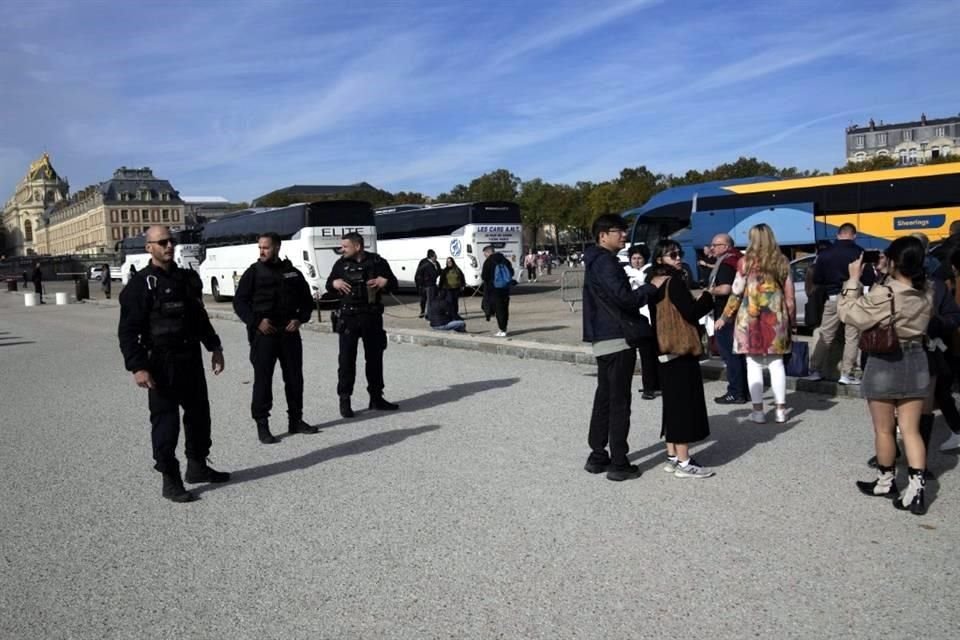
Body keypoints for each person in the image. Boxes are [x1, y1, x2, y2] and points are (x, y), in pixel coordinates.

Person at [117, 225, 229, 503]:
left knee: (199, 416)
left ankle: (198, 466)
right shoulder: (140, 285)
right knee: (166, 423)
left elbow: (199, 317)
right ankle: (170, 477)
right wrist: (138, 367)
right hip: (160, 363)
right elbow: (128, 331)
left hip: (189, 358)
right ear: (149, 248)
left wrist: (214, 346)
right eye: (162, 242)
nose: (169, 246)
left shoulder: (186, 279)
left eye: (172, 241)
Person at [841, 237, 933, 515]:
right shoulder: (927, 290)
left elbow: (850, 314)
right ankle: (916, 490)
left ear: (893, 260)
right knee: (911, 429)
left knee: (883, 429)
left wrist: (853, 281)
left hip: (885, 361)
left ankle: (886, 481)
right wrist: (887, 271)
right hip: (917, 359)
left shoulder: (885, 294)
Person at [582, 215, 664, 481]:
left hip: (602, 336)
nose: (624, 236)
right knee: (619, 401)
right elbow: (626, 299)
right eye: (619, 231)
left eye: (624, 231)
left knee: (604, 397)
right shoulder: (606, 262)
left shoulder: (594, 261)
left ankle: (597, 455)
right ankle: (618, 462)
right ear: (602, 235)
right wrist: (651, 288)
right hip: (617, 337)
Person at [232, 232, 319, 444]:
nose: (262, 251)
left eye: (266, 247)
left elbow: (307, 301)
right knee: (263, 380)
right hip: (264, 334)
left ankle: (296, 420)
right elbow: (240, 303)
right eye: (260, 248)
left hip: (289, 333)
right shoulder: (253, 273)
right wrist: (256, 322)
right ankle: (263, 425)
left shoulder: (292, 273)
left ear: (277, 248)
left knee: (294, 378)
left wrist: (299, 319)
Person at [648, 239, 716, 479]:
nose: (678, 258)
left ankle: (672, 456)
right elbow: (691, 312)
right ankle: (685, 461)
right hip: (680, 348)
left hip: (663, 349)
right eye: (672, 255)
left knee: (672, 404)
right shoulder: (674, 282)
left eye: (679, 253)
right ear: (660, 259)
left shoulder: (653, 282)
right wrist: (708, 297)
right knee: (684, 405)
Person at [715, 224, 795, 424]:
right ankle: (780, 410)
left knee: (753, 365)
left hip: (749, 319)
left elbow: (735, 293)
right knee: (777, 365)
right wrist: (790, 323)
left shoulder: (744, 262)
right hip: (776, 318)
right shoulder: (782, 261)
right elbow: (790, 298)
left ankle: (758, 412)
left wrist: (724, 317)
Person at [327, 232, 400, 418]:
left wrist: (386, 282)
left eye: (345, 246)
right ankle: (345, 400)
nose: (342, 250)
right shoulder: (341, 264)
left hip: (371, 317)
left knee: (375, 359)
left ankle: (376, 398)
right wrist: (334, 283)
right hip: (348, 318)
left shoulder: (377, 262)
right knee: (346, 361)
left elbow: (394, 284)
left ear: (358, 246)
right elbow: (329, 284)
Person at [807, 223, 873, 384]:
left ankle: (815, 370)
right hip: (853, 297)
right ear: (854, 235)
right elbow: (869, 279)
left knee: (826, 335)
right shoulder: (859, 253)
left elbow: (817, 279)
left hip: (832, 298)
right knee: (852, 337)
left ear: (838, 234)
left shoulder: (825, 254)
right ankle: (846, 374)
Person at [706, 234, 747, 404]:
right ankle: (743, 391)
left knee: (730, 356)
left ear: (726, 246)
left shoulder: (726, 262)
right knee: (737, 356)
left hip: (726, 315)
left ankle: (735, 392)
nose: (712, 248)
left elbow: (725, 289)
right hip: (737, 314)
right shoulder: (737, 259)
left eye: (716, 245)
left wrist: (708, 291)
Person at [623, 244, 659, 399]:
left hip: (649, 315)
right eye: (634, 258)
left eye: (639, 258)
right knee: (645, 354)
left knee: (650, 354)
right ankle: (650, 385)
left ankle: (651, 387)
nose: (636, 261)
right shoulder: (625, 272)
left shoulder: (650, 272)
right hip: (634, 316)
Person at [481, 245, 514, 337]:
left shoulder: (488, 261)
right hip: (505, 288)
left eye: (485, 254)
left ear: (488, 252)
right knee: (504, 308)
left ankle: (502, 329)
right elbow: (512, 272)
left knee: (498, 309)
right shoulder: (505, 260)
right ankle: (504, 328)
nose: (485, 256)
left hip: (494, 289)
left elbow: (484, 276)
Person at [415, 250, 440, 320]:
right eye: (435, 255)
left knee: (431, 300)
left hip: (432, 284)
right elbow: (418, 273)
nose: (436, 257)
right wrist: (419, 285)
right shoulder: (423, 262)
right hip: (423, 285)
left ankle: (430, 313)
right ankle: (423, 312)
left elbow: (438, 272)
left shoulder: (436, 263)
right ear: (431, 256)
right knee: (423, 299)